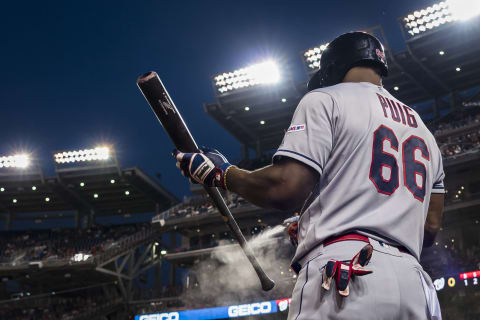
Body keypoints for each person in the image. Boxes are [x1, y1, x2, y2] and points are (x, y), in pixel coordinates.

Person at [173, 32, 444, 320]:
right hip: (415, 286)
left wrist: (224, 173)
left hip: (346, 272)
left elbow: (286, 188)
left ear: (332, 68)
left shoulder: (325, 98)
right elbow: (430, 228)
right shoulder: (424, 133)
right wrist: (315, 220)